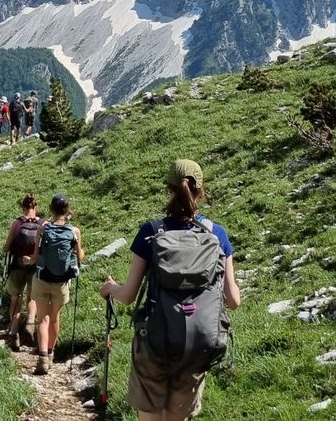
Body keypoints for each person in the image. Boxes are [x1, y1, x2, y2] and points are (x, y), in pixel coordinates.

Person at [100, 159, 241, 420]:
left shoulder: (151, 231)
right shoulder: (216, 234)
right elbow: (233, 300)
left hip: (155, 341)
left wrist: (111, 288)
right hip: (198, 344)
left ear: (169, 189)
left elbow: (129, 295)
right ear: (200, 190)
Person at [30, 193, 83, 375]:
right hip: (61, 283)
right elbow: (80, 257)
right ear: (67, 210)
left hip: (42, 278)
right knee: (54, 318)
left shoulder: (43, 229)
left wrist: (27, 261)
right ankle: (51, 354)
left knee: (42, 319)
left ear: (51, 210)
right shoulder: (74, 231)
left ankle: (43, 358)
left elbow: (35, 257)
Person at [1, 193, 44, 350]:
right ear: (36, 207)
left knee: (15, 299)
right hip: (35, 267)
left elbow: (6, 248)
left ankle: (13, 334)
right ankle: (31, 321)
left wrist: (9, 248)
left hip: (17, 266)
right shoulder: (42, 224)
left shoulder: (17, 224)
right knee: (32, 298)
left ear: (23, 207)